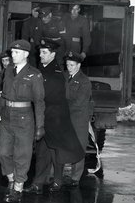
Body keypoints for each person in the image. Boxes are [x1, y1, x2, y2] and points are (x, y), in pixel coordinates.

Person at [24, 39, 83, 194]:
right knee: (42, 151)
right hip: (43, 117)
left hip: (55, 118)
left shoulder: (56, 73)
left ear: (53, 54)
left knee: (57, 151)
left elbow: (46, 96)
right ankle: (38, 183)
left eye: (44, 52)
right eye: (40, 52)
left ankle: (57, 181)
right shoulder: (39, 70)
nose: (41, 55)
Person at [0, 39, 45, 203]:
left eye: (16, 52)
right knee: (3, 152)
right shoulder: (8, 70)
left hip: (24, 117)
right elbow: (3, 95)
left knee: (22, 154)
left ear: (25, 54)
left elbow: (39, 101)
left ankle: (18, 187)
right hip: (7, 116)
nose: (13, 55)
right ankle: (11, 178)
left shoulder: (34, 74)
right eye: (12, 52)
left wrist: (40, 125)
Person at [64, 51, 93, 187]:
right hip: (65, 117)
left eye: (72, 65)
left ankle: (75, 178)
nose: (69, 67)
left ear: (78, 65)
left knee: (79, 147)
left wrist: (61, 106)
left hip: (78, 119)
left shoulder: (84, 81)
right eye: (67, 64)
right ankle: (56, 174)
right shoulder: (65, 77)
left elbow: (79, 102)